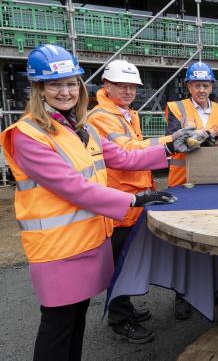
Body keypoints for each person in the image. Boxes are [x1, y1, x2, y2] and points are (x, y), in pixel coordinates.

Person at [0, 45, 198, 360]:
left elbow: (125, 156)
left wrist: (170, 145)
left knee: (75, 321)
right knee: (57, 327)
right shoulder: (28, 134)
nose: (64, 92)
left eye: (70, 84)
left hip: (88, 241)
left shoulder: (81, 127)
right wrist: (134, 199)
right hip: (56, 250)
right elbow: (73, 188)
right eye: (54, 85)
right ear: (38, 90)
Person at [87, 59, 206, 342]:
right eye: (122, 85)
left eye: (132, 86)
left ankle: (124, 309)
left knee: (127, 260)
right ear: (107, 85)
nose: (128, 91)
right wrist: (168, 141)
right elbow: (126, 152)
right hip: (119, 201)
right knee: (118, 263)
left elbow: (136, 149)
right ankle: (119, 319)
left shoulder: (126, 113)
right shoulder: (101, 117)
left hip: (133, 198)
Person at [165, 61, 218, 188]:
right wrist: (206, 137)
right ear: (189, 87)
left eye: (205, 86)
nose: (201, 90)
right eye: (197, 86)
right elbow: (173, 137)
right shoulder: (176, 108)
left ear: (211, 87)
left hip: (215, 177)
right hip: (182, 179)